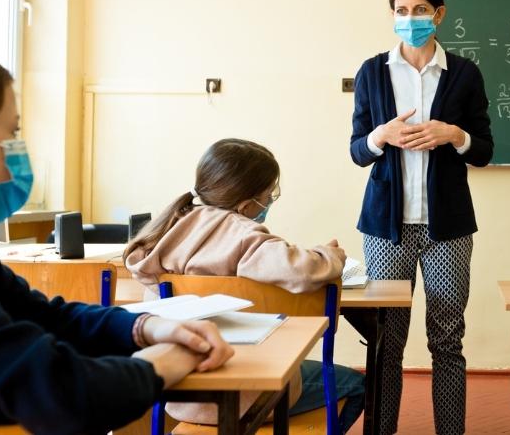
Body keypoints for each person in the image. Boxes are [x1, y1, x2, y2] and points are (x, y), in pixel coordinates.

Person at [0, 44, 234, 434]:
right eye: (11, 134)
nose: (19, 152)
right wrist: (164, 362)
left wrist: (148, 328)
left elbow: (45, 316)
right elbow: (64, 392)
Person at [125, 138, 365, 433]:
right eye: (268, 194)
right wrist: (330, 256)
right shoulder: (244, 236)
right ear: (248, 203)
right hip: (255, 393)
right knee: (357, 384)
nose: (270, 202)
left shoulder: (165, 233)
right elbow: (302, 270)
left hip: (179, 392)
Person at [349, 0, 493, 435]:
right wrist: (381, 135)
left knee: (447, 338)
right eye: (401, 11)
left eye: (419, 11)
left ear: (439, 14)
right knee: (386, 341)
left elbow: (485, 150)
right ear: (392, 16)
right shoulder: (373, 71)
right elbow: (356, 150)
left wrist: (455, 135)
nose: (410, 19)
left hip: (446, 228)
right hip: (386, 227)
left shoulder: (464, 74)